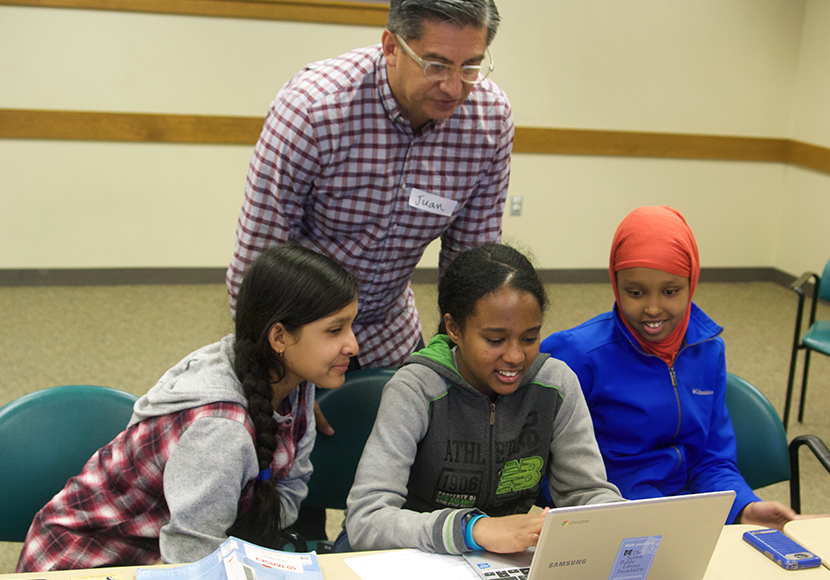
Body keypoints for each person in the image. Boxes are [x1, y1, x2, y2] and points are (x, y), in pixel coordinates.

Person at [16, 245, 359, 571]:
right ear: (279, 337)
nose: (353, 345)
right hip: (84, 564)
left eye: (351, 325)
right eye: (334, 330)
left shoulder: (294, 382)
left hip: (167, 555)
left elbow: (290, 487)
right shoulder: (222, 429)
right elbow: (191, 558)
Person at [226, 0, 513, 376]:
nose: (454, 86)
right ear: (392, 48)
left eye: (471, 66)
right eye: (436, 64)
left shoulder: (489, 120)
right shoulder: (313, 109)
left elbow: (471, 262)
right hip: (301, 333)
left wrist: (460, 362)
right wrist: (278, 368)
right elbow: (259, 257)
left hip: (390, 331)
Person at [342, 244, 622, 554]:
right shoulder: (416, 388)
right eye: (495, 340)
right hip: (409, 554)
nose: (516, 356)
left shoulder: (556, 385)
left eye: (530, 338)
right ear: (454, 328)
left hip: (494, 559)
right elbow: (367, 520)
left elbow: (587, 493)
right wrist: (472, 530)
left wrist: (619, 521)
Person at [539, 205, 798, 531]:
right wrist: (590, 513)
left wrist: (744, 507)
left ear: (692, 283)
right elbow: (533, 458)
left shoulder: (707, 349)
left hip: (685, 513)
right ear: (615, 283)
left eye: (671, 291)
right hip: (611, 516)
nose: (652, 308)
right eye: (635, 293)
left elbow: (711, 459)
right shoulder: (577, 353)